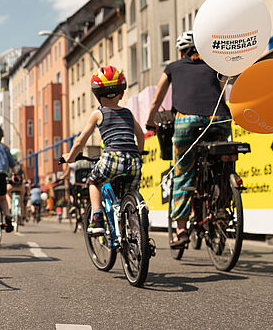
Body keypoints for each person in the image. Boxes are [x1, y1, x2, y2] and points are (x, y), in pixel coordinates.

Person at [145, 30, 231, 248]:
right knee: (224, 161)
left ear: (181, 51)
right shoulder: (214, 65)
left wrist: (150, 121)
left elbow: (157, 99)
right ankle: (222, 202)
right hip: (219, 118)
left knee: (183, 174)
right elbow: (221, 91)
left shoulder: (173, 67)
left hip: (187, 120)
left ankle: (181, 231)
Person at [62, 66, 144, 235]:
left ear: (96, 95)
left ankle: (97, 218)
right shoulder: (128, 113)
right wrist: (139, 153)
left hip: (112, 158)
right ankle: (137, 236)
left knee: (93, 181)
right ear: (121, 94)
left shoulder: (98, 114)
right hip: (134, 161)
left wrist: (70, 157)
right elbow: (140, 135)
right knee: (130, 195)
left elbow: (81, 140)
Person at [5, 149, 25, 225]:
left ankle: (9, 205)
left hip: (10, 185)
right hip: (19, 185)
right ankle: (21, 220)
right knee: (21, 201)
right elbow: (25, 176)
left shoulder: (8, 165)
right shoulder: (21, 165)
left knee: (7, 194)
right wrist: (26, 180)